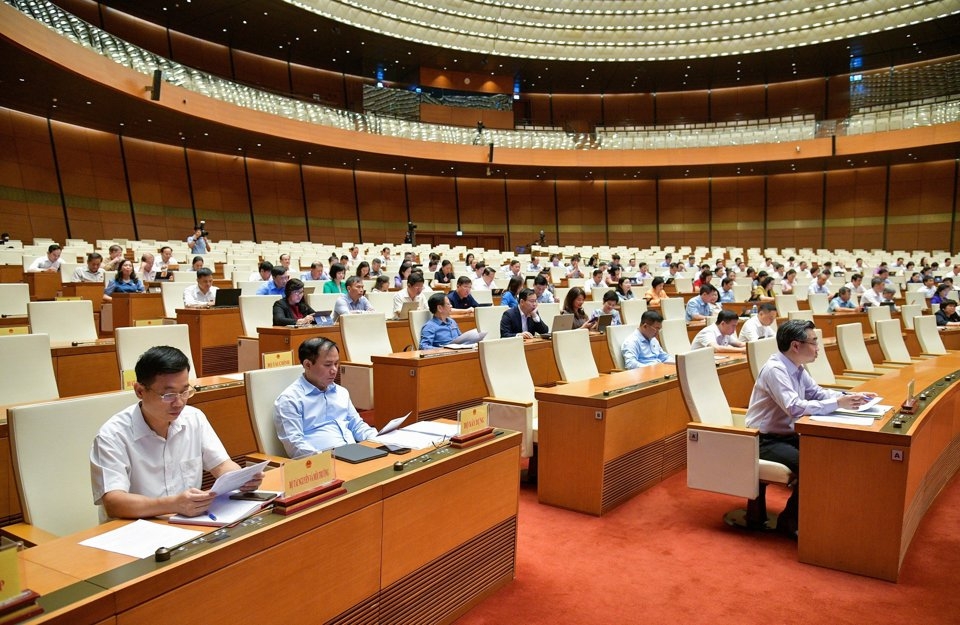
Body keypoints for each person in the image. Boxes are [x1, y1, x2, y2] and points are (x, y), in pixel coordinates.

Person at [91, 346, 262, 519]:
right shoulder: (112, 435)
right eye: (168, 395)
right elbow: (114, 502)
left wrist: (242, 479)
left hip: (187, 523)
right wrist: (173, 504)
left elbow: (222, 465)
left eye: (184, 392)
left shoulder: (194, 418)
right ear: (140, 391)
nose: (179, 403)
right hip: (133, 529)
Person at [745, 320, 873, 537]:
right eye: (813, 342)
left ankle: (808, 515)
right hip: (764, 439)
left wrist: (847, 398)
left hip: (788, 435)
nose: (818, 348)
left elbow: (817, 393)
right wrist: (838, 404)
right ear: (796, 346)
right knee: (814, 466)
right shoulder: (776, 370)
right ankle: (789, 522)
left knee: (829, 455)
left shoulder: (796, 368)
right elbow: (794, 407)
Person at [273, 337, 377, 458]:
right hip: (321, 464)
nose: (334, 370)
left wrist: (379, 439)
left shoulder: (341, 392)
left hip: (353, 455)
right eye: (328, 365)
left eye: (336, 364)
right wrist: (325, 459)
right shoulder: (290, 400)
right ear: (307, 364)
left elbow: (357, 426)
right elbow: (295, 446)